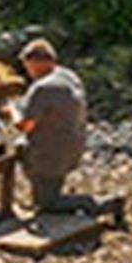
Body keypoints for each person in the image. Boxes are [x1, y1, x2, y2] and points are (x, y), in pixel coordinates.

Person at [12, 38, 87, 216]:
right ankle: (44, 195)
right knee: (22, 147)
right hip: (73, 144)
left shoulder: (43, 88)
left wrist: (11, 111)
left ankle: (102, 203)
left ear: (36, 63)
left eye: (27, 66)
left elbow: (25, 126)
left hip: (50, 154)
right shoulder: (67, 75)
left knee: (47, 204)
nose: (27, 71)